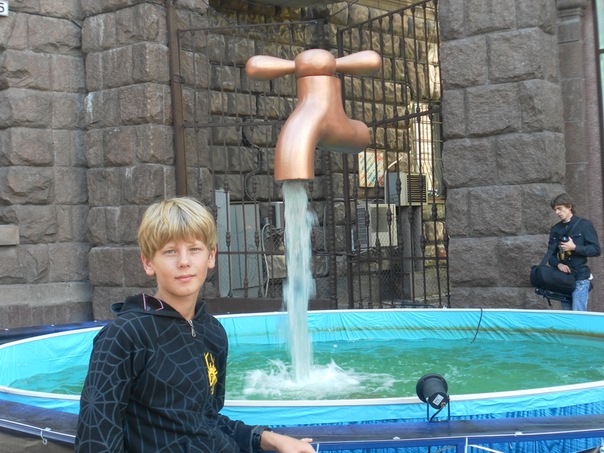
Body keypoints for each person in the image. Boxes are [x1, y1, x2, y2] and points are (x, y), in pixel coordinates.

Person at [76, 197, 316, 453]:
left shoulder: (212, 332)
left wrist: (267, 438)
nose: (184, 261)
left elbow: (206, 421)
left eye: (194, 249)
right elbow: (96, 441)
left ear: (211, 256)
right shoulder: (125, 335)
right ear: (148, 262)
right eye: (170, 251)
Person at [547, 193, 601, 311]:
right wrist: (558, 264)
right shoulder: (556, 229)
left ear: (569, 206)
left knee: (578, 313)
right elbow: (550, 256)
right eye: (555, 210)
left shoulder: (584, 225)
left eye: (560, 208)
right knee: (567, 316)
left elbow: (596, 250)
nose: (557, 212)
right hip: (563, 279)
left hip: (580, 276)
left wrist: (575, 247)